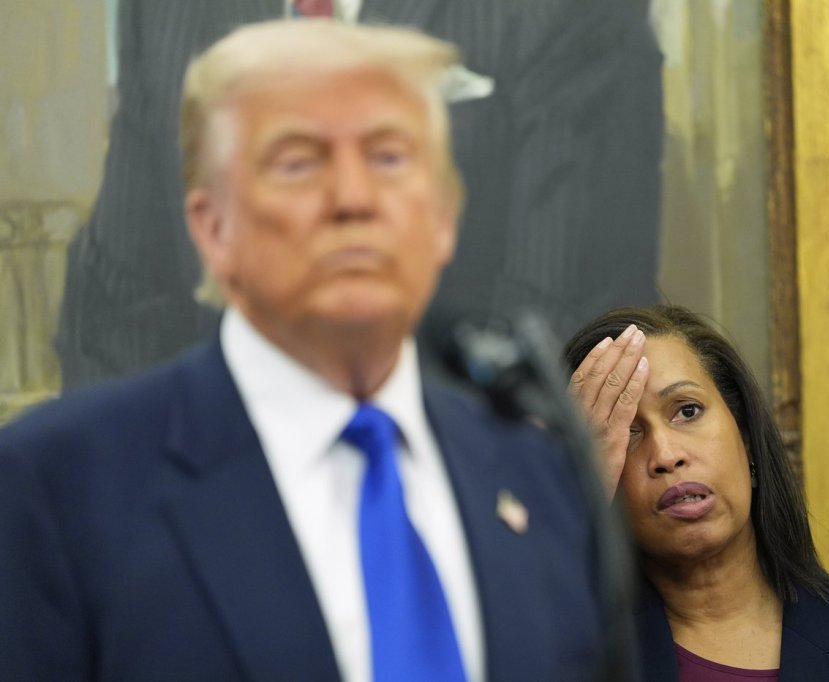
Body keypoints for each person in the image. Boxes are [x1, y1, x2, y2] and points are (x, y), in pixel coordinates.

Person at [0, 21, 606, 681]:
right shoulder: (58, 486)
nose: (353, 199)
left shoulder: (536, 473)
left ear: (442, 218)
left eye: (388, 157)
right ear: (212, 227)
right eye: (298, 163)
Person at [55, 0, 663, 390]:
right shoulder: (161, 11)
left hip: (465, 482)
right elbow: (121, 299)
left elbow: (561, 317)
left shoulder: (569, 13)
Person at [564, 304, 829, 681]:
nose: (666, 456)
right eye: (627, 433)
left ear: (746, 438)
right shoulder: (566, 660)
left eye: (688, 410)